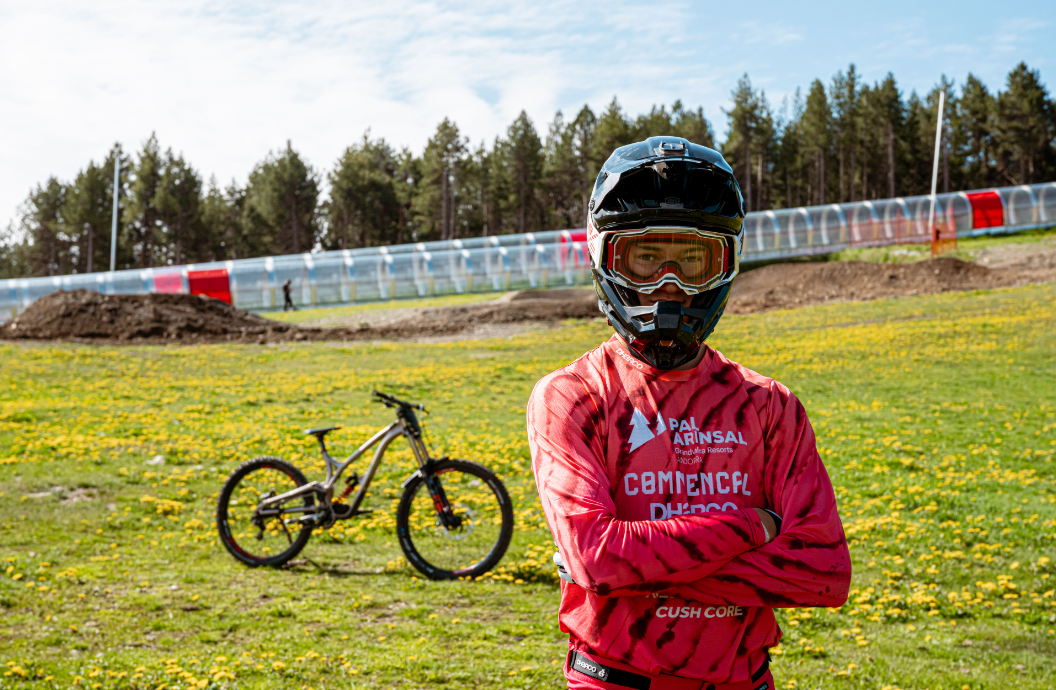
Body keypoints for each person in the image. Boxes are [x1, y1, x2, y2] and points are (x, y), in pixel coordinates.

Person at [528, 136, 851, 690]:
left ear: (725, 264)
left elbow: (822, 573)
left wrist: (635, 567)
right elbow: (600, 560)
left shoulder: (769, 406)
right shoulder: (573, 396)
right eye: (646, 257)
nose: (668, 286)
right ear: (605, 257)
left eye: (694, 260)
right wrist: (754, 527)